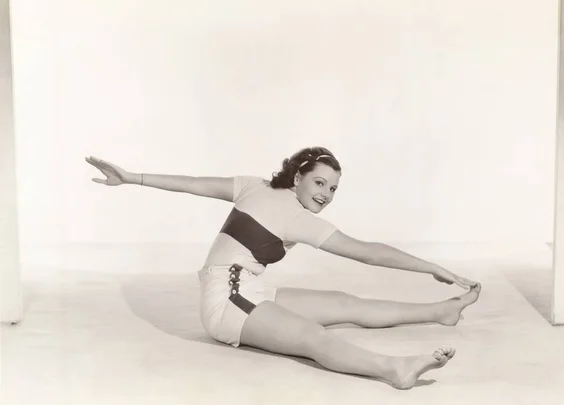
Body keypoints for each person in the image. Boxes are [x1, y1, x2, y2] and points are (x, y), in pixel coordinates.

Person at [86, 146, 481, 390]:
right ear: (298, 177)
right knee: (311, 336)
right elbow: (367, 252)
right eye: (320, 184)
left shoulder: (254, 186)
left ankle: (440, 311)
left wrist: (132, 178)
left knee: (345, 304)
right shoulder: (290, 213)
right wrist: (430, 266)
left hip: (247, 291)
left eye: (333, 189)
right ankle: (395, 369)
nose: (326, 196)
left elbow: (192, 183)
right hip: (227, 301)